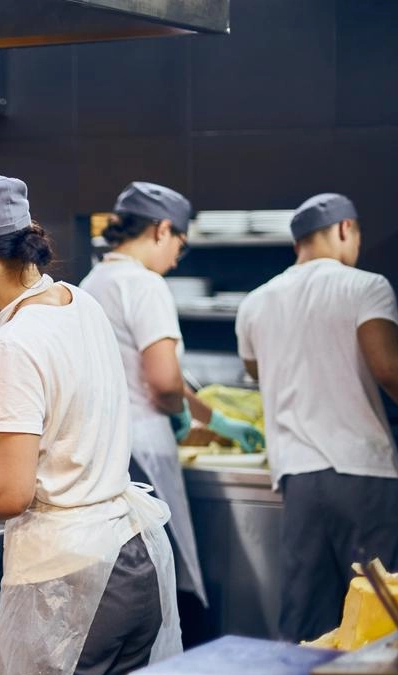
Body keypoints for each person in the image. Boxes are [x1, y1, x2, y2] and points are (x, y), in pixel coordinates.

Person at [0, 169, 181, 675]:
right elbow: (69, 407)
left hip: (73, 582)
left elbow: (10, 495)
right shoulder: (78, 302)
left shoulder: (13, 339)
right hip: (134, 558)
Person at [236, 193, 398, 642]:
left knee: (308, 625)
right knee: (389, 613)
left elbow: (258, 371)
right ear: (345, 229)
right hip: (363, 474)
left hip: (298, 477)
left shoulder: (256, 302)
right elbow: (389, 369)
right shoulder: (364, 285)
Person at [79, 182, 264, 611]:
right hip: (144, 449)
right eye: (180, 241)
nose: (178, 255)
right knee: (161, 576)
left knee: (121, 578)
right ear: (162, 230)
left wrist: (211, 418)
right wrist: (179, 414)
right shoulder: (144, 285)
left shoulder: (92, 281)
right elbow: (163, 383)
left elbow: (153, 375)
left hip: (102, 447)